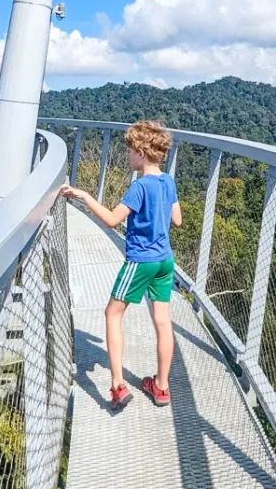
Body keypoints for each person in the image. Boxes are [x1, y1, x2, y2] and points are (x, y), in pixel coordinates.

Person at [61, 120, 182, 409]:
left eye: (129, 151)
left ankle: (118, 385)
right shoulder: (168, 181)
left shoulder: (139, 187)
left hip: (141, 261)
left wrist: (84, 196)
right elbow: (177, 220)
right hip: (165, 261)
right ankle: (161, 387)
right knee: (162, 321)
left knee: (113, 314)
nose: (127, 155)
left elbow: (112, 220)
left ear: (141, 152)